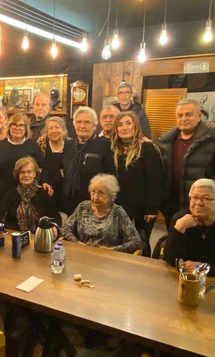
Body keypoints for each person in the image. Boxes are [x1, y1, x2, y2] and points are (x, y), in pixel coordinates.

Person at [156, 99, 215, 223]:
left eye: (188, 114)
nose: (184, 119)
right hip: (172, 205)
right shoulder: (165, 142)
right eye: (180, 115)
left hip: (201, 205)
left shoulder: (214, 140)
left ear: (199, 116)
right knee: (176, 234)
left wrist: (205, 193)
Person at [112, 111, 163, 247]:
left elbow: (155, 180)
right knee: (120, 241)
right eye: (120, 125)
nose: (124, 127)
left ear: (136, 126)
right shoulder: (114, 149)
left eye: (129, 123)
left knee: (142, 242)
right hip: (121, 206)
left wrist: (152, 207)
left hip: (143, 207)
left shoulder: (148, 149)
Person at [55, 107, 116, 215]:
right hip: (69, 203)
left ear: (94, 125)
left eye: (87, 122)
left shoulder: (105, 145)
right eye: (79, 122)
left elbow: (111, 177)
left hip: (94, 205)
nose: (82, 126)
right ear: (74, 124)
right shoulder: (69, 145)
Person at [62, 174, 143, 253]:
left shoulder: (118, 213)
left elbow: (136, 242)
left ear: (111, 196)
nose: (95, 197)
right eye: (93, 192)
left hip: (108, 257)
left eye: (101, 193)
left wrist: (110, 250)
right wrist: (78, 244)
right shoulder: (83, 207)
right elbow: (65, 228)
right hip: (82, 254)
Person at [0, 156, 58, 232]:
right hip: (15, 235)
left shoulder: (44, 193)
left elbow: (55, 216)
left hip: (40, 235)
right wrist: (11, 232)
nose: (26, 175)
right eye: (22, 172)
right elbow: (0, 215)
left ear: (35, 174)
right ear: (18, 175)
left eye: (29, 172)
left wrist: (55, 228)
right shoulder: (11, 193)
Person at [0, 113, 42, 190]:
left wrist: (45, 182)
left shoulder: (33, 146)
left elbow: (42, 168)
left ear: (26, 128)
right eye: (14, 125)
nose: (17, 128)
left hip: (27, 190)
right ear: (9, 127)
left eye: (21, 125)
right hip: (2, 190)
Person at [39, 117, 68, 198]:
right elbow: (40, 167)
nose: (54, 131)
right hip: (45, 187)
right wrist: (44, 182)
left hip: (66, 188)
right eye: (50, 128)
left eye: (57, 127)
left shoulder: (71, 145)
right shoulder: (40, 145)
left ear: (64, 130)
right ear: (47, 132)